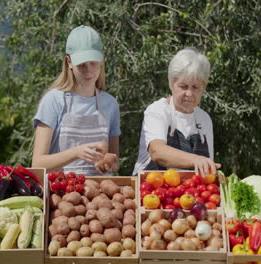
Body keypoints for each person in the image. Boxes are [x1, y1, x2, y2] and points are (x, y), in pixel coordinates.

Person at [32, 25, 121, 176]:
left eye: (93, 63)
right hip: (60, 192)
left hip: (99, 194)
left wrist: (110, 163)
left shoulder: (110, 104)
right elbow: (37, 164)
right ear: (69, 62)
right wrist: (75, 153)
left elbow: (114, 159)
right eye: (81, 65)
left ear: (102, 59)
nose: (89, 70)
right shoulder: (53, 101)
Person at [133, 47, 220, 177]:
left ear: (203, 88)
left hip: (189, 192)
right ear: (171, 83)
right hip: (150, 188)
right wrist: (196, 159)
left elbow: (206, 169)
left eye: (195, 87)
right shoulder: (158, 110)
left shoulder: (204, 119)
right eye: (183, 86)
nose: (189, 94)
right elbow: (158, 152)